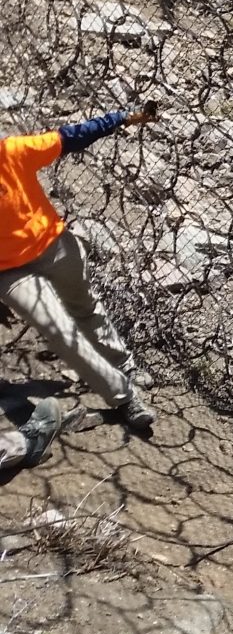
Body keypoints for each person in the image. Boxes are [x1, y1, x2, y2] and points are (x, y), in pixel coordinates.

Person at [1, 104, 160, 441]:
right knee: (59, 331)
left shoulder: (10, 153)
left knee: (85, 307)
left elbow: (70, 137)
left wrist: (121, 118)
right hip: (9, 271)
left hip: (54, 247)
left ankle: (125, 363)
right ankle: (125, 397)